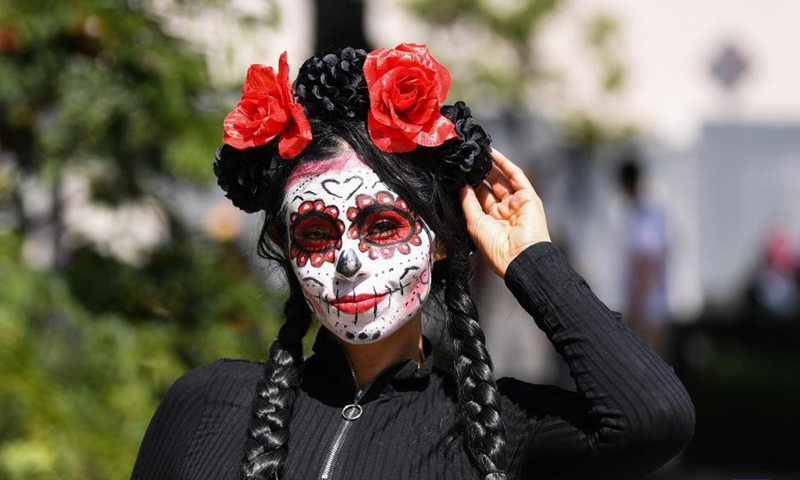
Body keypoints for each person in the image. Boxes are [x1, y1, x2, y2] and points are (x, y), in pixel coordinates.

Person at [130, 45, 694, 480]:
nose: (348, 260)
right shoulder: (206, 406)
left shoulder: (491, 432)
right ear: (285, 245)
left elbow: (652, 419)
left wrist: (529, 259)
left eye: (381, 225)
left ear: (441, 239)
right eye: (318, 233)